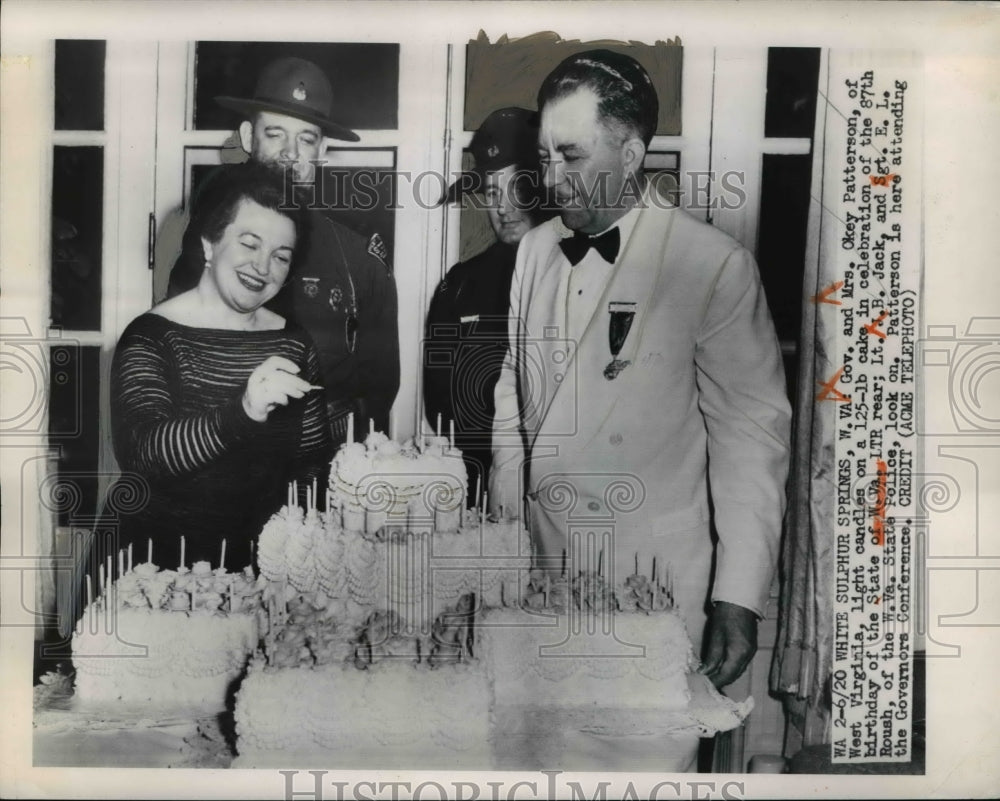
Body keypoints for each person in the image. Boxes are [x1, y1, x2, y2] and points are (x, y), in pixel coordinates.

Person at [490, 50, 792, 693]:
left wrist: (736, 599)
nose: (551, 178)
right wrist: (504, 537)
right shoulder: (535, 251)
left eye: (570, 157)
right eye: (544, 158)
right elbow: (513, 398)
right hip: (540, 586)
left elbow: (752, 444)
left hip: (652, 591)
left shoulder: (714, 266)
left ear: (629, 156)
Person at [109, 163, 331, 570]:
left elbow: (312, 463)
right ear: (210, 244)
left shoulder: (295, 343)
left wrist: (299, 555)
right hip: (157, 568)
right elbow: (143, 455)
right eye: (249, 244)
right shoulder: (151, 336)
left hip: (261, 566)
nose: (263, 268)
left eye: (280, 256)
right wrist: (243, 411)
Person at [166, 56, 399, 444]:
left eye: (306, 139)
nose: (290, 152)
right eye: (275, 134)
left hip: (321, 474)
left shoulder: (357, 257)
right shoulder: (207, 244)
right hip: (228, 462)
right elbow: (176, 361)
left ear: (321, 149)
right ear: (246, 137)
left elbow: (378, 389)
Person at [423, 107, 551, 506]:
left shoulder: (581, 276)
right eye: (493, 192)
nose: (503, 206)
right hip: (480, 491)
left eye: (517, 188)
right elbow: (439, 401)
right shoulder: (460, 286)